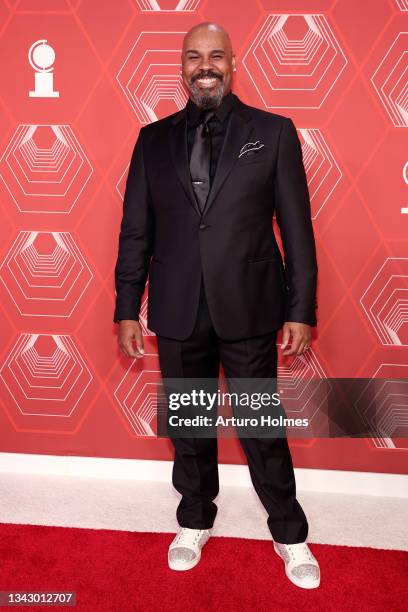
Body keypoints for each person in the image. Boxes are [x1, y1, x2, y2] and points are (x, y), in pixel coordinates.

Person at [113, 21, 320, 589]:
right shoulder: (151, 140)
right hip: (179, 308)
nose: (204, 66)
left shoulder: (273, 133)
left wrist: (301, 308)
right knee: (190, 424)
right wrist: (127, 306)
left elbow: (297, 231)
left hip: (250, 306)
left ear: (233, 63)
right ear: (181, 66)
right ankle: (195, 518)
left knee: (260, 425)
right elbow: (136, 231)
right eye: (193, 57)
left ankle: (290, 531)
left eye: (215, 56)